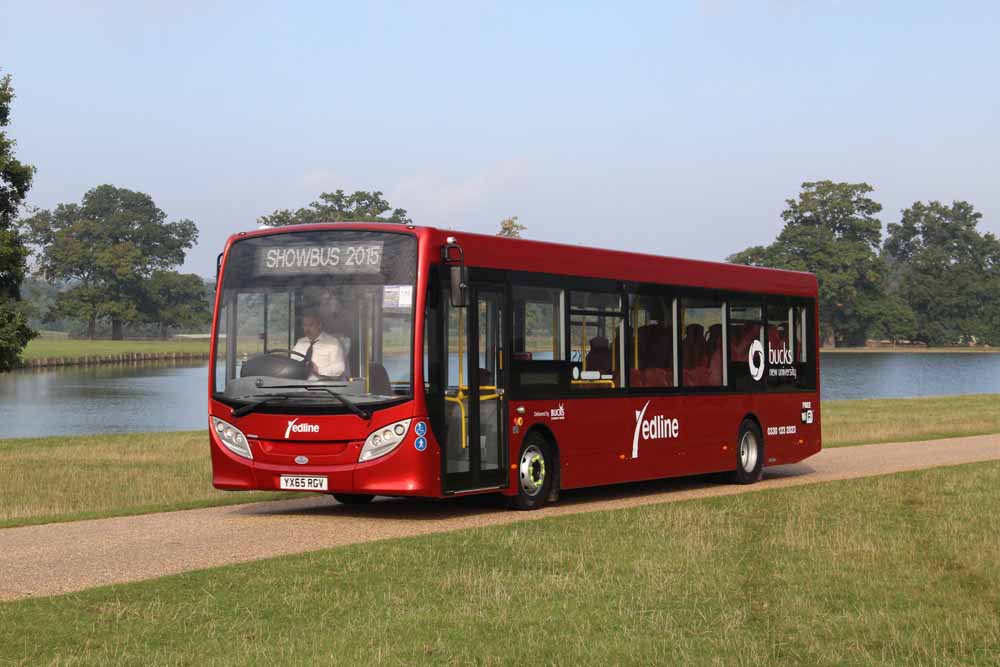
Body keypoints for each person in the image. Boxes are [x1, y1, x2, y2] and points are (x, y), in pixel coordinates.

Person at [292, 310, 346, 379]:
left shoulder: (332, 343)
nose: (307, 329)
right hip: (297, 383)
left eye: (311, 325)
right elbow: (292, 362)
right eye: (305, 325)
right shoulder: (300, 342)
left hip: (320, 385)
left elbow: (339, 368)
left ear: (319, 325)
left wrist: (318, 370)